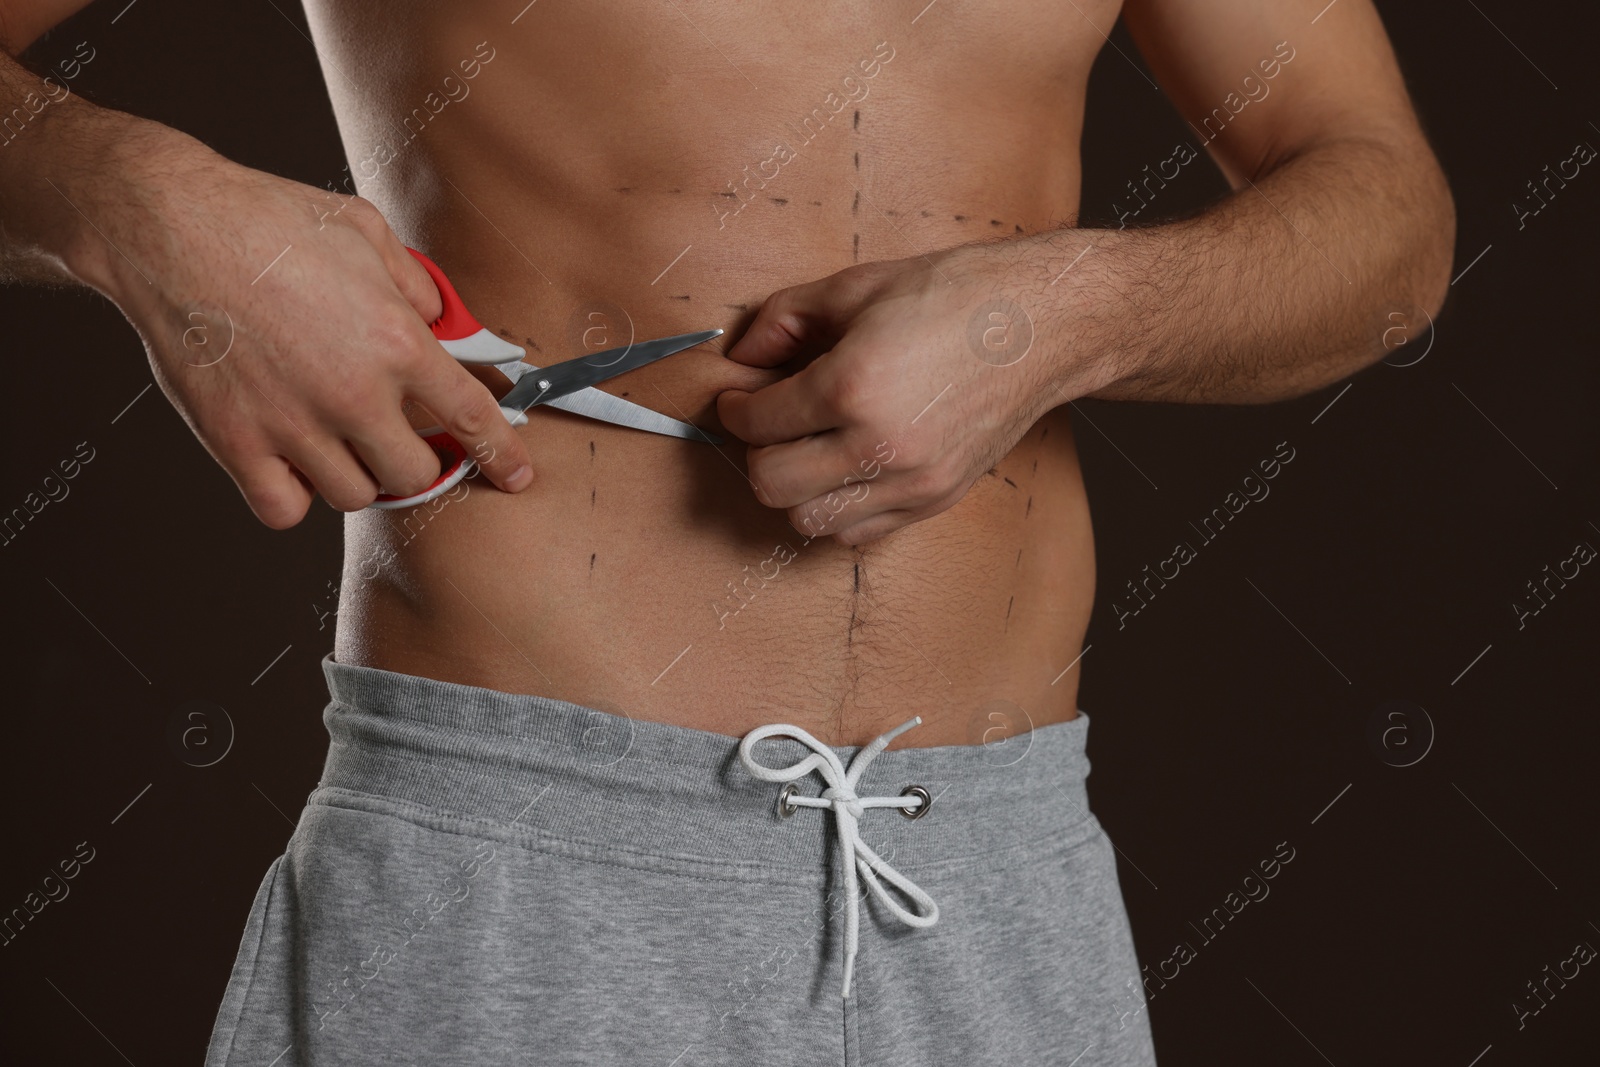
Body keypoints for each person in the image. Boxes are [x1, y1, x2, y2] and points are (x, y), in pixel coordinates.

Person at [0, 0, 1453, 1063]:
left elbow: (1383, 213)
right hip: (528, 882)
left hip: (993, 884)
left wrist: (1061, 319)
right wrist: (136, 204)